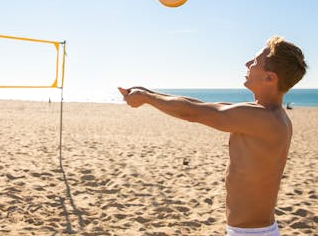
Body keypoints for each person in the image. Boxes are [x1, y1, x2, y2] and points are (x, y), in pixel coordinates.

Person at [119, 36, 307, 236]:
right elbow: (198, 105)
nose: (247, 64)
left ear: (270, 78)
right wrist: (144, 91)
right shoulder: (263, 114)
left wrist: (146, 98)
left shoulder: (262, 118)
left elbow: (192, 113)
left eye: (254, 62)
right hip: (251, 230)